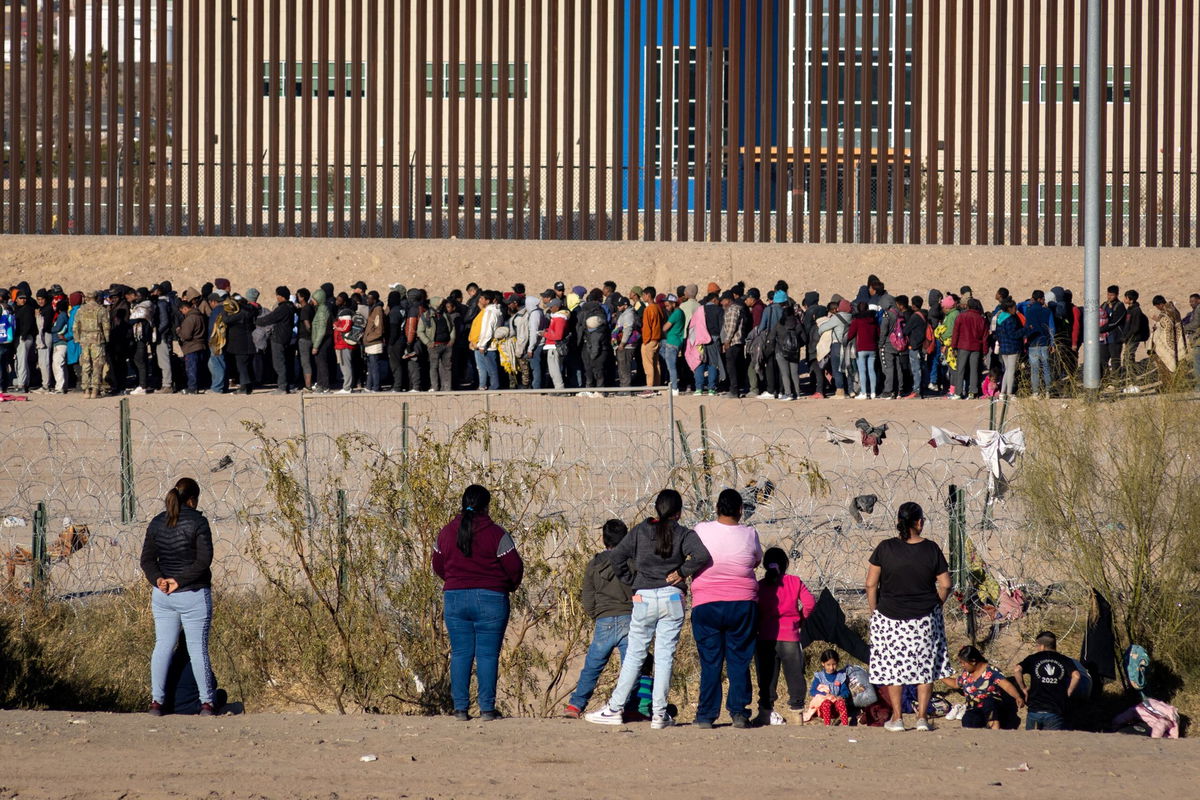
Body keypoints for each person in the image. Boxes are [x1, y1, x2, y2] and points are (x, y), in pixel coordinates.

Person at [585, 489, 710, 729]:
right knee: (664, 657)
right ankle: (659, 714)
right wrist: (682, 572)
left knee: (634, 655)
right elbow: (702, 555)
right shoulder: (684, 534)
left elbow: (617, 556)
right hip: (672, 597)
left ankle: (615, 708)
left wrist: (632, 581)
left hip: (643, 598)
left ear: (657, 509)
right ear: (679, 512)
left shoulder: (641, 531)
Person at [432, 485, 524, 721]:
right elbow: (514, 568)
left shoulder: (445, 532)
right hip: (492, 598)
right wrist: (507, 586)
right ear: (487, 506)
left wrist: (455, 581)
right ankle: (487, 709)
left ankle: (460, 709)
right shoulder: (497, 534)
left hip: (454, 598)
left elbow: (438, 566)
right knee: (488, 655)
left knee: (461, 653)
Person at [865, 501, 953, 732]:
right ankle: (922, 717)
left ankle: (897, 717)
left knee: (895, 668)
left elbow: (870, 584)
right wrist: (936, 605)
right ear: (919, 522)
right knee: (925, 667)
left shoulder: (885, 548)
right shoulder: (931, 549)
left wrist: (874, 611)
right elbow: (945, 584)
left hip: (889, 616)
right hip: (924, 617)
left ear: (898, 523)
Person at [139, 477, 216, 716]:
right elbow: (204, 560)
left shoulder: (157, 522)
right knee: (197, 649)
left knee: (162, 646)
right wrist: (179, 581)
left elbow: (147, 560)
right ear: (193, 499)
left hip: (162, 595)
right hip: (192, 593)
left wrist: (159, 580)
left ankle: (156, 702)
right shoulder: (199, 522)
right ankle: (207, 703)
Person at [689, 489, 762, 729]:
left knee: (711, 660)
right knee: (739, 659)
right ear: (741, 510)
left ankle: (706, 715)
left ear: (717, 508)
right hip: (742, 603)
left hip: (707, 603)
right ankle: (739, 713)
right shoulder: (750, 534)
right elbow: (755, 561)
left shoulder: (701, 530)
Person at [564, 520, 635, 718]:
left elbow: (587, 594)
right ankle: (628, 707)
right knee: (632, 665)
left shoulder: (594, 564)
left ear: (604, 540)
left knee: (592, 667)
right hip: (629, 618)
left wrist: (596, 614)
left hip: (604, 620)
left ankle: (576, 706)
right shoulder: (631, 562)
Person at [754, 546, 816, 725]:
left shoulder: (760, 586)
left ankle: (765, 711)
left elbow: (753, 608)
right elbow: (810, 603)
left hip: (765, 635)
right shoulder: (794, 581)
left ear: (765, 565)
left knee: (767, 676)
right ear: (786, 564)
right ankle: (797, 713)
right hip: (790, 635)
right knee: (795, 675)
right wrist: (800, 619)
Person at [1012, 630, 1081, 731]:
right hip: (1055, 710)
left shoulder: (1033, 658)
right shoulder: (1064, 659)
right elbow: (1077, 676)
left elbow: (1017, 669)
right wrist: (1068, 692)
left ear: (1041, 646)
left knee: (1032, 743)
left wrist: (1023, 688)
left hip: (1034, 710)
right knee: (1051, 744)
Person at [945, 645, 1024, 730]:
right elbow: (955, 684)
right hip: (974, 708)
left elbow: (1007, 685)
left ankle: (995, 730)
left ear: (973, 661)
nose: (962, 665)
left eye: (963, 663)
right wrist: (939, 676)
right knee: (968, 720)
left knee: (988, 703)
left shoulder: (991, 671)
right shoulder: (966, 673)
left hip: (993, 706)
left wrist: (1017, 697)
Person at [255, 287, 296, 394]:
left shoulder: (282, 308)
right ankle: (286, 385)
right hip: (286, 337)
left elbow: (270, 318)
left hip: (279, 338)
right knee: (284, 362)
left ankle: (282, 387)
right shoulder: (290, 307)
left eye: (277, 295)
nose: (276, 297)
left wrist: (256, 321)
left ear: (282, 296)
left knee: (279, 364)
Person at [72, 290, 110, 399]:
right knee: (97, 365)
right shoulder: (101, 310)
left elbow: (75, 327)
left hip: (84, 340)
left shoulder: (80, 310)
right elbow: (106, 327)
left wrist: (77, 339)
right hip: (97, 339)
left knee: (85, 364)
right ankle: (95, 390)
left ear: (87, 298)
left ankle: (86, 390)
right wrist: (107, 339)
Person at [950, 298, 987, 399]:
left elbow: (956, 332)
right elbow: (984, 336)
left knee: (960, 369)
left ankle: (958, 393)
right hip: (976, 347)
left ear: (968, 306)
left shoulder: (961, 316)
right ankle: (972, 392)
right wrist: (985, 350)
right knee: (974, 370)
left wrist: (953, 346)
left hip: (963, 346)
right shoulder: (981, 319)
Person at [808, 649, 852, 726]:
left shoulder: (841, 676)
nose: (831, 667)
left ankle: (845, 726)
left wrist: (841, 696)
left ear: (837, 663)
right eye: (828, 665)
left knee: (841, 703)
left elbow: (845, 691)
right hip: (823, 708)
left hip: (836, 708)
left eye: (834, 664)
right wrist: (824, 695)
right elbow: (812, 691)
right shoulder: (819, 677)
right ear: (823, 663)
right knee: (826, 703)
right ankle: (827, 725)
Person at [175, 298, 209, 395]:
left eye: (182, 311)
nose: (182, 313)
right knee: (199, 368)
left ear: (185, 308)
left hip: (191, 347)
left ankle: (192, 388)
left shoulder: (190, 318)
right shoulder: (200, 316)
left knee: (191, 368)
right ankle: (200, 386)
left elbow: (186, 335)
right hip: (201, 345)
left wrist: (179, 331)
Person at [846, 302, 879, 400]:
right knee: (872, 370)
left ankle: (864, 393)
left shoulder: (857, 321)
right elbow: (878, 333)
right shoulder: (874, 320)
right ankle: (873, 392)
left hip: (861, 348)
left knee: (862, 371)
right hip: (872, 348)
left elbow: (850, 334)